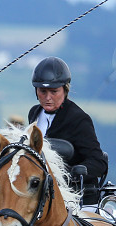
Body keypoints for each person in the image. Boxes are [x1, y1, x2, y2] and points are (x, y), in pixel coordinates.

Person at [27, 56, 107, 190]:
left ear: (65, 89)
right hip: (40, 189)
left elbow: (98, 162)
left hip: (70, 192)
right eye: (43, 91)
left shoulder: (79, 119)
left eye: (54, 92)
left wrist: (72, 174)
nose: (48, 98)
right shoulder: (34, 113)